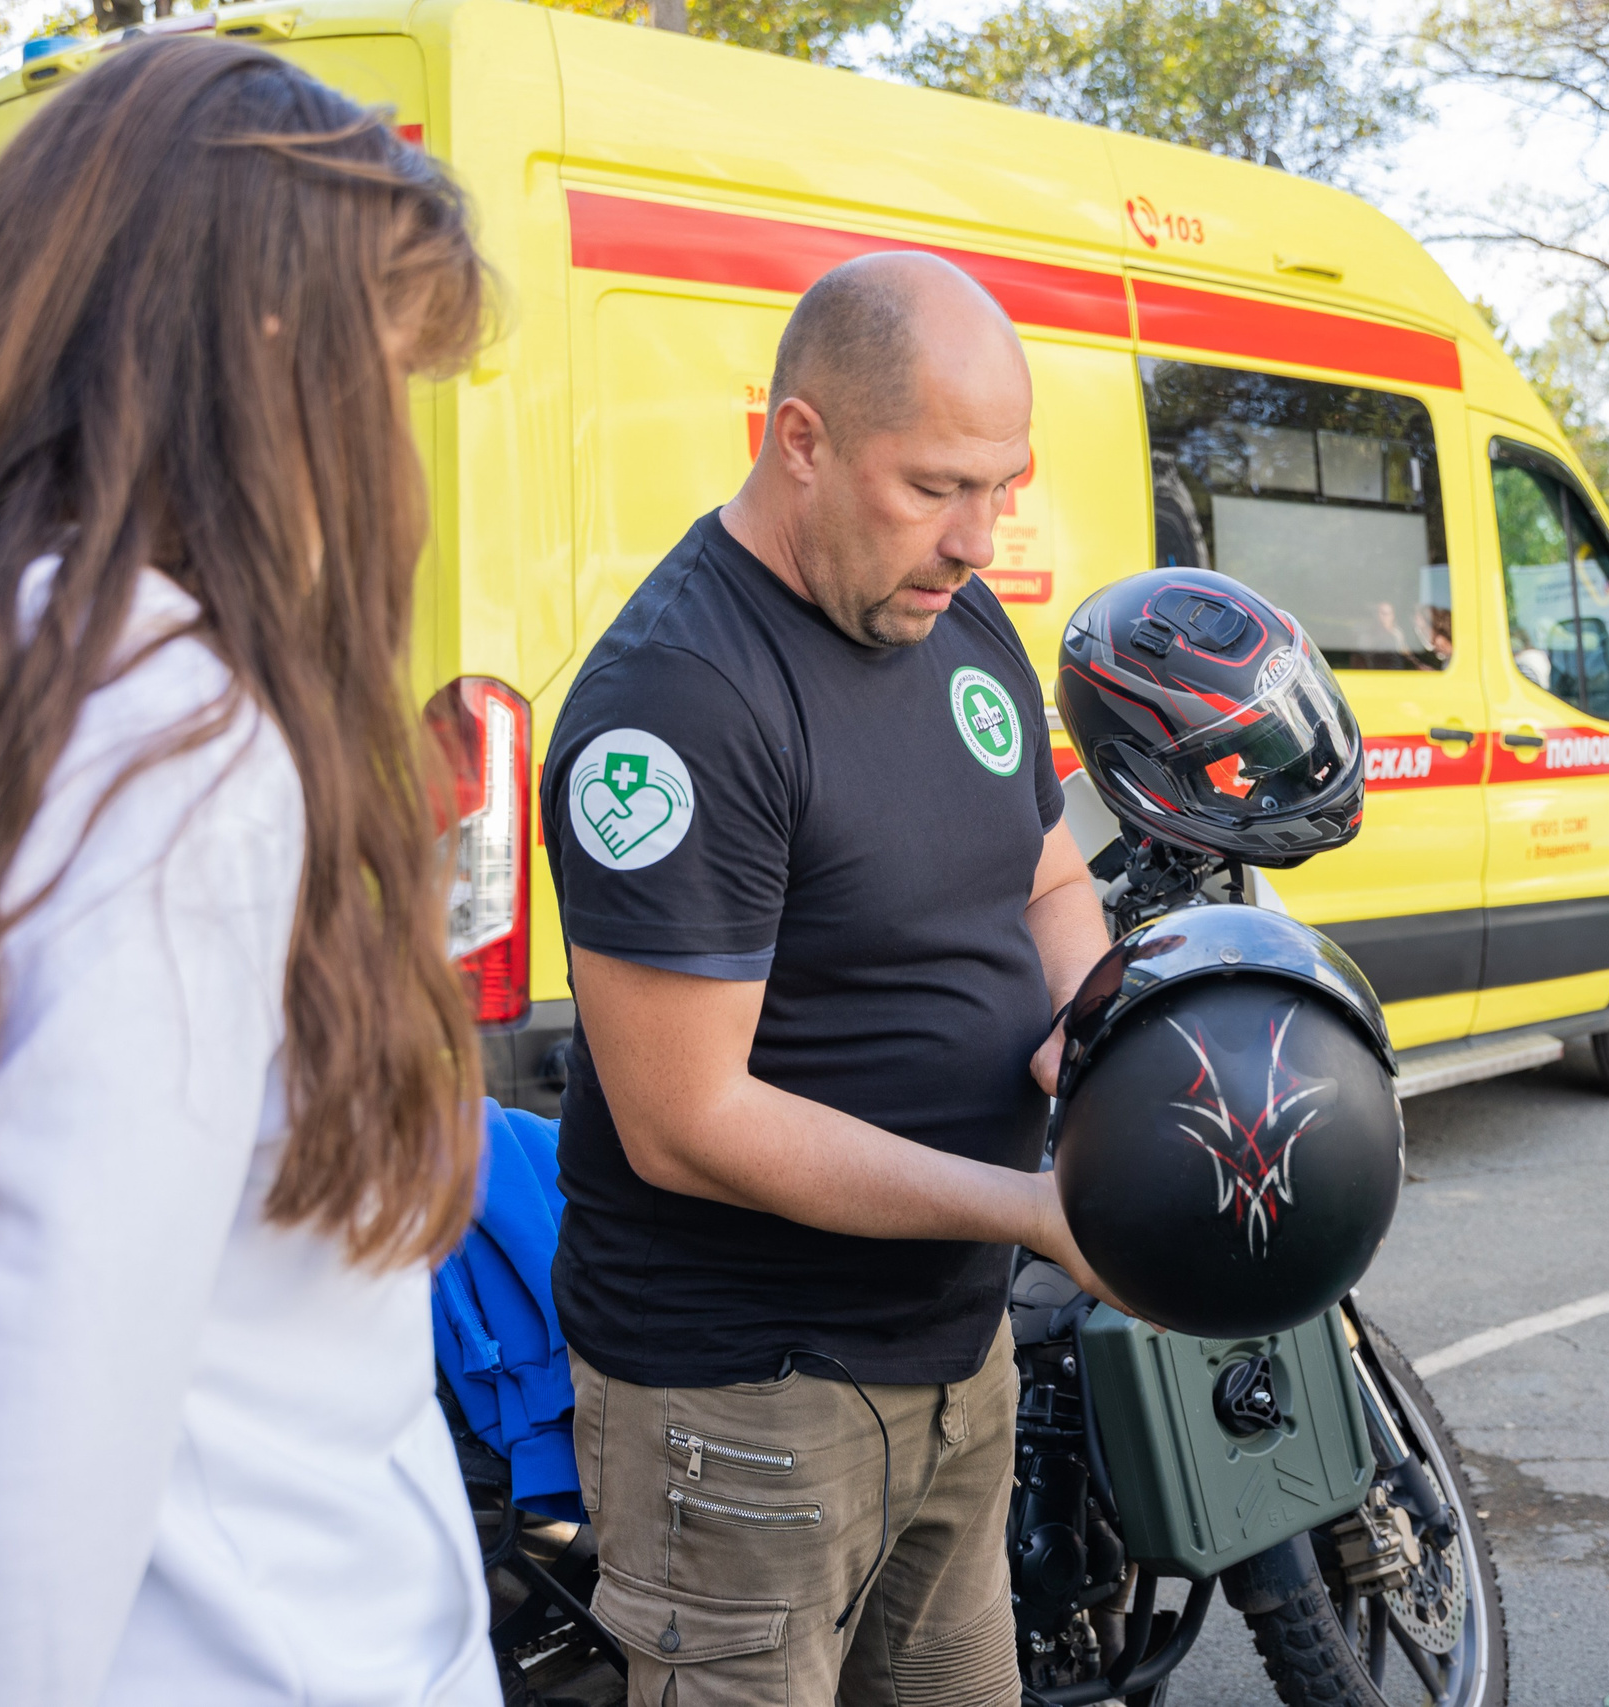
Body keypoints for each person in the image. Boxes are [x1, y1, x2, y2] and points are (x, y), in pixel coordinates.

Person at [0, 40, 499, 1706]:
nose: (393, 468)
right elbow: (20, 1435)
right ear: (262, 363)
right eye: (384, 384)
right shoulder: (168, 744)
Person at [542, 251, 1114, 1707]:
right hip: (748, 1403)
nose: (979, 536)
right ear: (799, 438)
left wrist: (1105, 1049)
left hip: (955, 1358)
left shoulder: (952, 611)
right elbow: (690, 1117)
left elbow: (1045, 873)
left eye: (1003, 484)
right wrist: (1040, 1212)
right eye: (934, 485)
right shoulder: (677, 701)